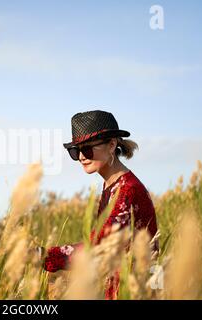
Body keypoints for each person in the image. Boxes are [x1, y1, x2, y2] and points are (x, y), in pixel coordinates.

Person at [42, 110, 159, 300]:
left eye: (86, 149)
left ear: (112, 145)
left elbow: (98, 247)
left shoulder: (127, 190)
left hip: (136, 290)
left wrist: (43, 256)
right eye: (75, 150)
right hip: (126, 286)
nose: (80, 156)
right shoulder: (111, 185)